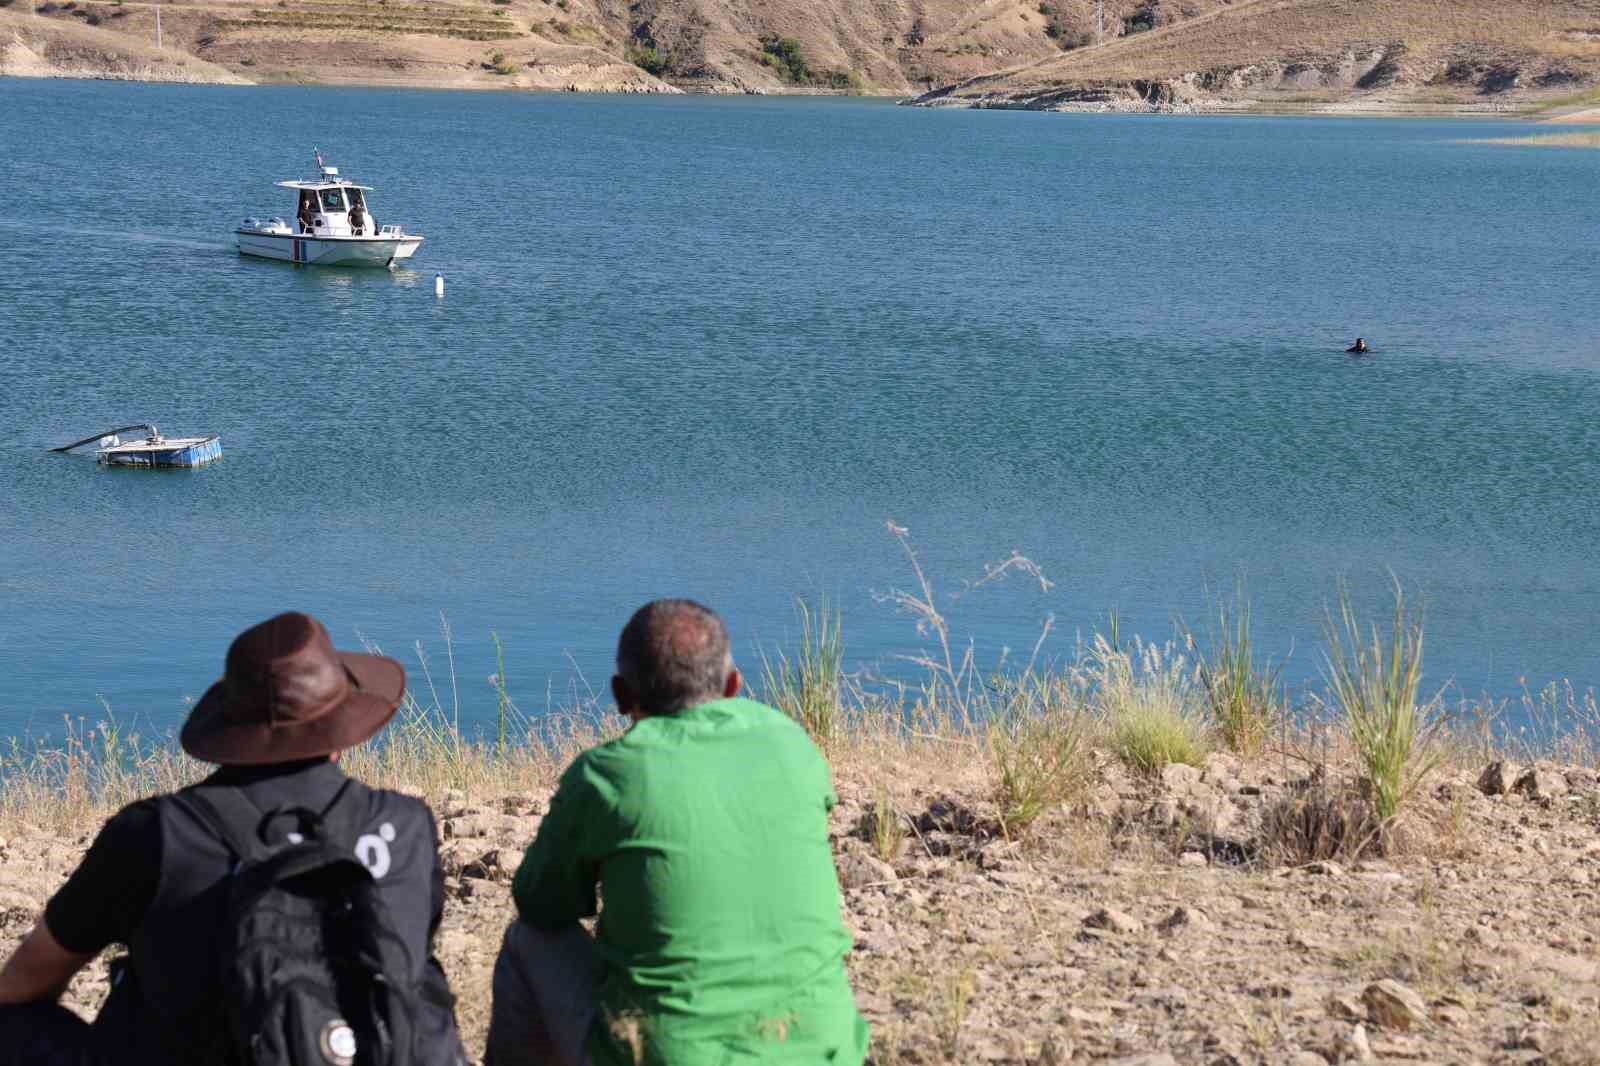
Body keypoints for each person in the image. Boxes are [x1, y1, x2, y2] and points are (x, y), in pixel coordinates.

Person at [0, 611, 466, 1066]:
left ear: (230, 725)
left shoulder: (154, 834)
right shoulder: (405, 826)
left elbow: (23, 983)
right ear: (341, 726)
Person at [487, 599, 868, 1066]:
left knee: (528, 939)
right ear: (733, 684)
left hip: (665, 1054)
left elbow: (539, 903)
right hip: (825, 1053)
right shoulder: (790, 742)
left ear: (621, 695)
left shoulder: (607, 775)